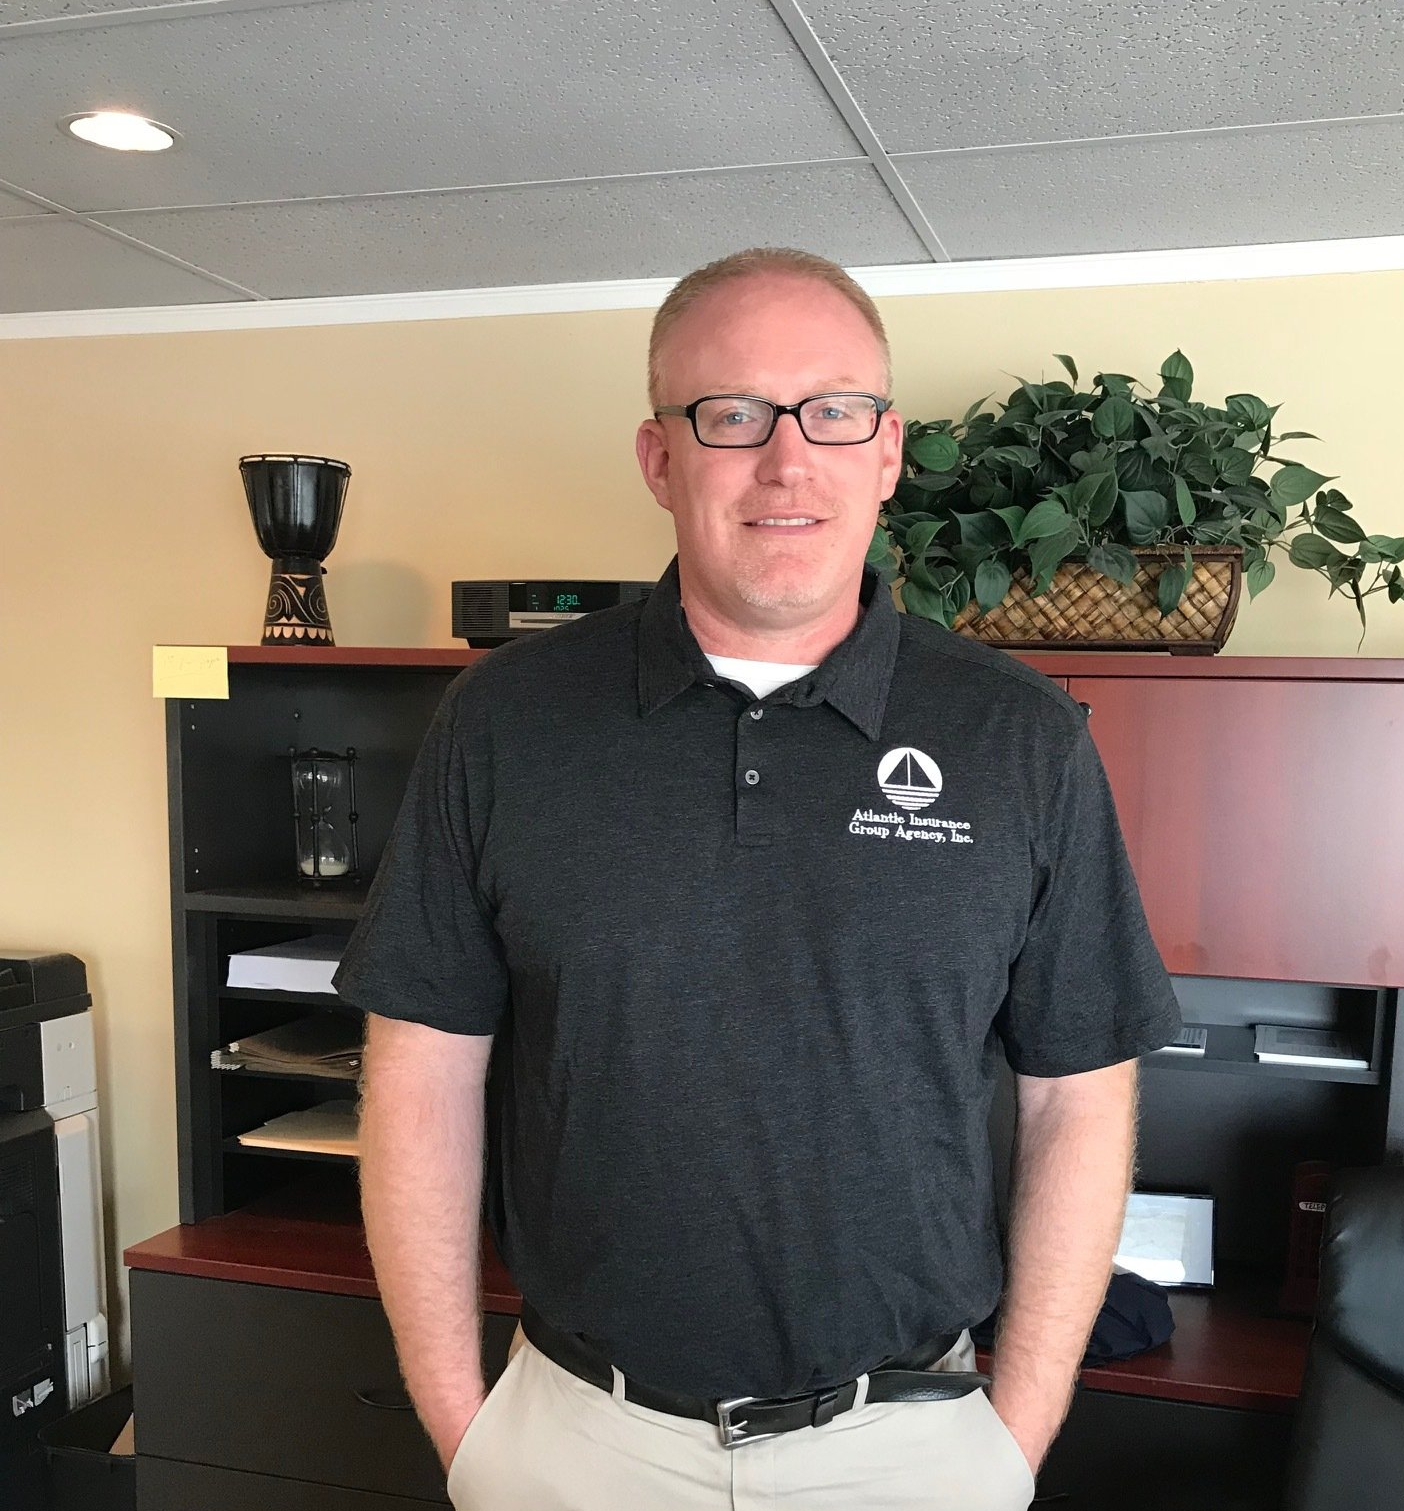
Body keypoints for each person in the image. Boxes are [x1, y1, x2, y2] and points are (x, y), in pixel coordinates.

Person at [332, 246, 1181, 1511]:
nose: (789, 461)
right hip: (573, 1443)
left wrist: (1019, 1429)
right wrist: (467, 1429)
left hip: (911, 1447)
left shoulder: (1019, 738)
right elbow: (421, 1077)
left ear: (887, 452)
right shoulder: (504, 723)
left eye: (833, 412)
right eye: (732, 416)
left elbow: (1078, 1096)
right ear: (661, 457)